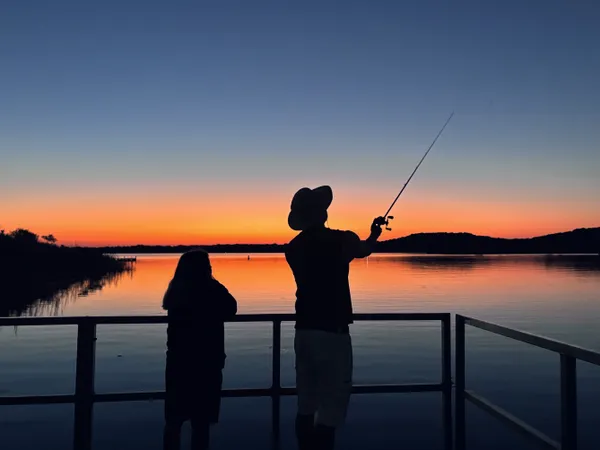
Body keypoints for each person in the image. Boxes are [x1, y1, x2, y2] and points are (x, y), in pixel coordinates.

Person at [284, 186, 384, 450]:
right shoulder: (341, 239)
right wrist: (374, 233)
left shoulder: (292, 248)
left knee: (305, 405)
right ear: (321, 213)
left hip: (303, 330)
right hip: (332, 333)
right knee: (331, 406)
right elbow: (363, 250)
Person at [162, 249, 238, 450]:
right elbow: (231, 308)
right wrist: (214, 282)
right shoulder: (210, 289)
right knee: (201, 422)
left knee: (174, 420)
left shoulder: (176, 290)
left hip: (179, 361)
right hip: (207, 361)